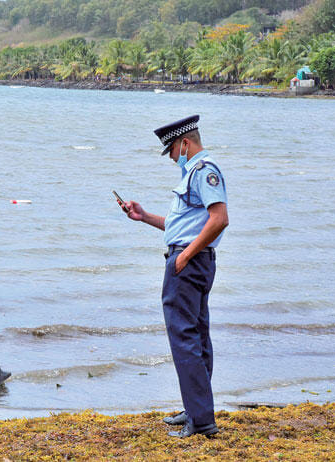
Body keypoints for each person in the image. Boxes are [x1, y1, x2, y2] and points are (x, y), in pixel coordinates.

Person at [118, 115, 228, 438]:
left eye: (171, 150)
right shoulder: (192, 172)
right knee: (195, 335)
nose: (170, 157)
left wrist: (185, 255)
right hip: (191, 259)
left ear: (184, 144)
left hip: (188, 263)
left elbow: (219, 219)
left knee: (184, 338)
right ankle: (196, 408)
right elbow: (183, 226)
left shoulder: (203, 170)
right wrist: (144, 217)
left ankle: (202, 420)